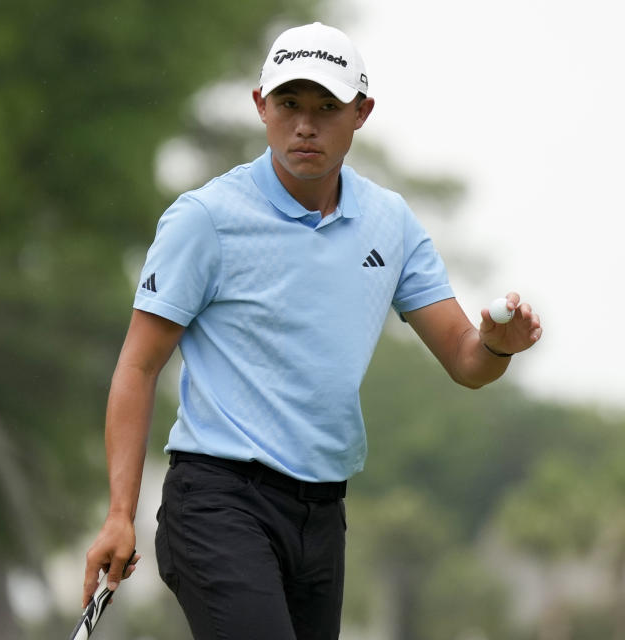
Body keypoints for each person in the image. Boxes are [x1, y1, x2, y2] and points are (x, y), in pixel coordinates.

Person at [81, 21, 542, 640]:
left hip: (323, 515)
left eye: (327, 107)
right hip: (218, 501)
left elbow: (465, 361)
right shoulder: (206, 219)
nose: (306, 124)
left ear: (361, 113)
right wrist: (119, 513)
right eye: (290, 104)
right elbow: (137, 366)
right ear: (260, 106)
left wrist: (495, 345)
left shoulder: (390, 223)